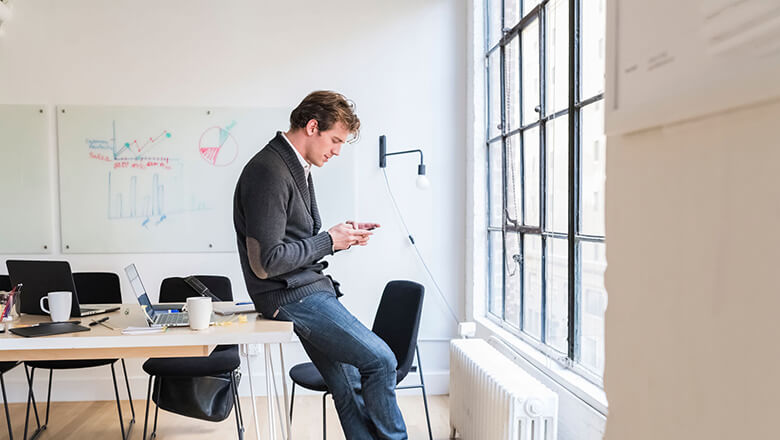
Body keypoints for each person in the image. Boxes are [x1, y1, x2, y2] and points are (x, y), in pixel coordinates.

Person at [233, 90, 408, 439]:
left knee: (349, 387)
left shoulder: (294, 166)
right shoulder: (269, 170)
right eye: (335, 140)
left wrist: (340, 237)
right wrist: (329, 240)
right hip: (291, 297)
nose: (337, 150)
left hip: (304, 291)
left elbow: (295, 241)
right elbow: (266, 263)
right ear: (312, 126)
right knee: (382, 360)